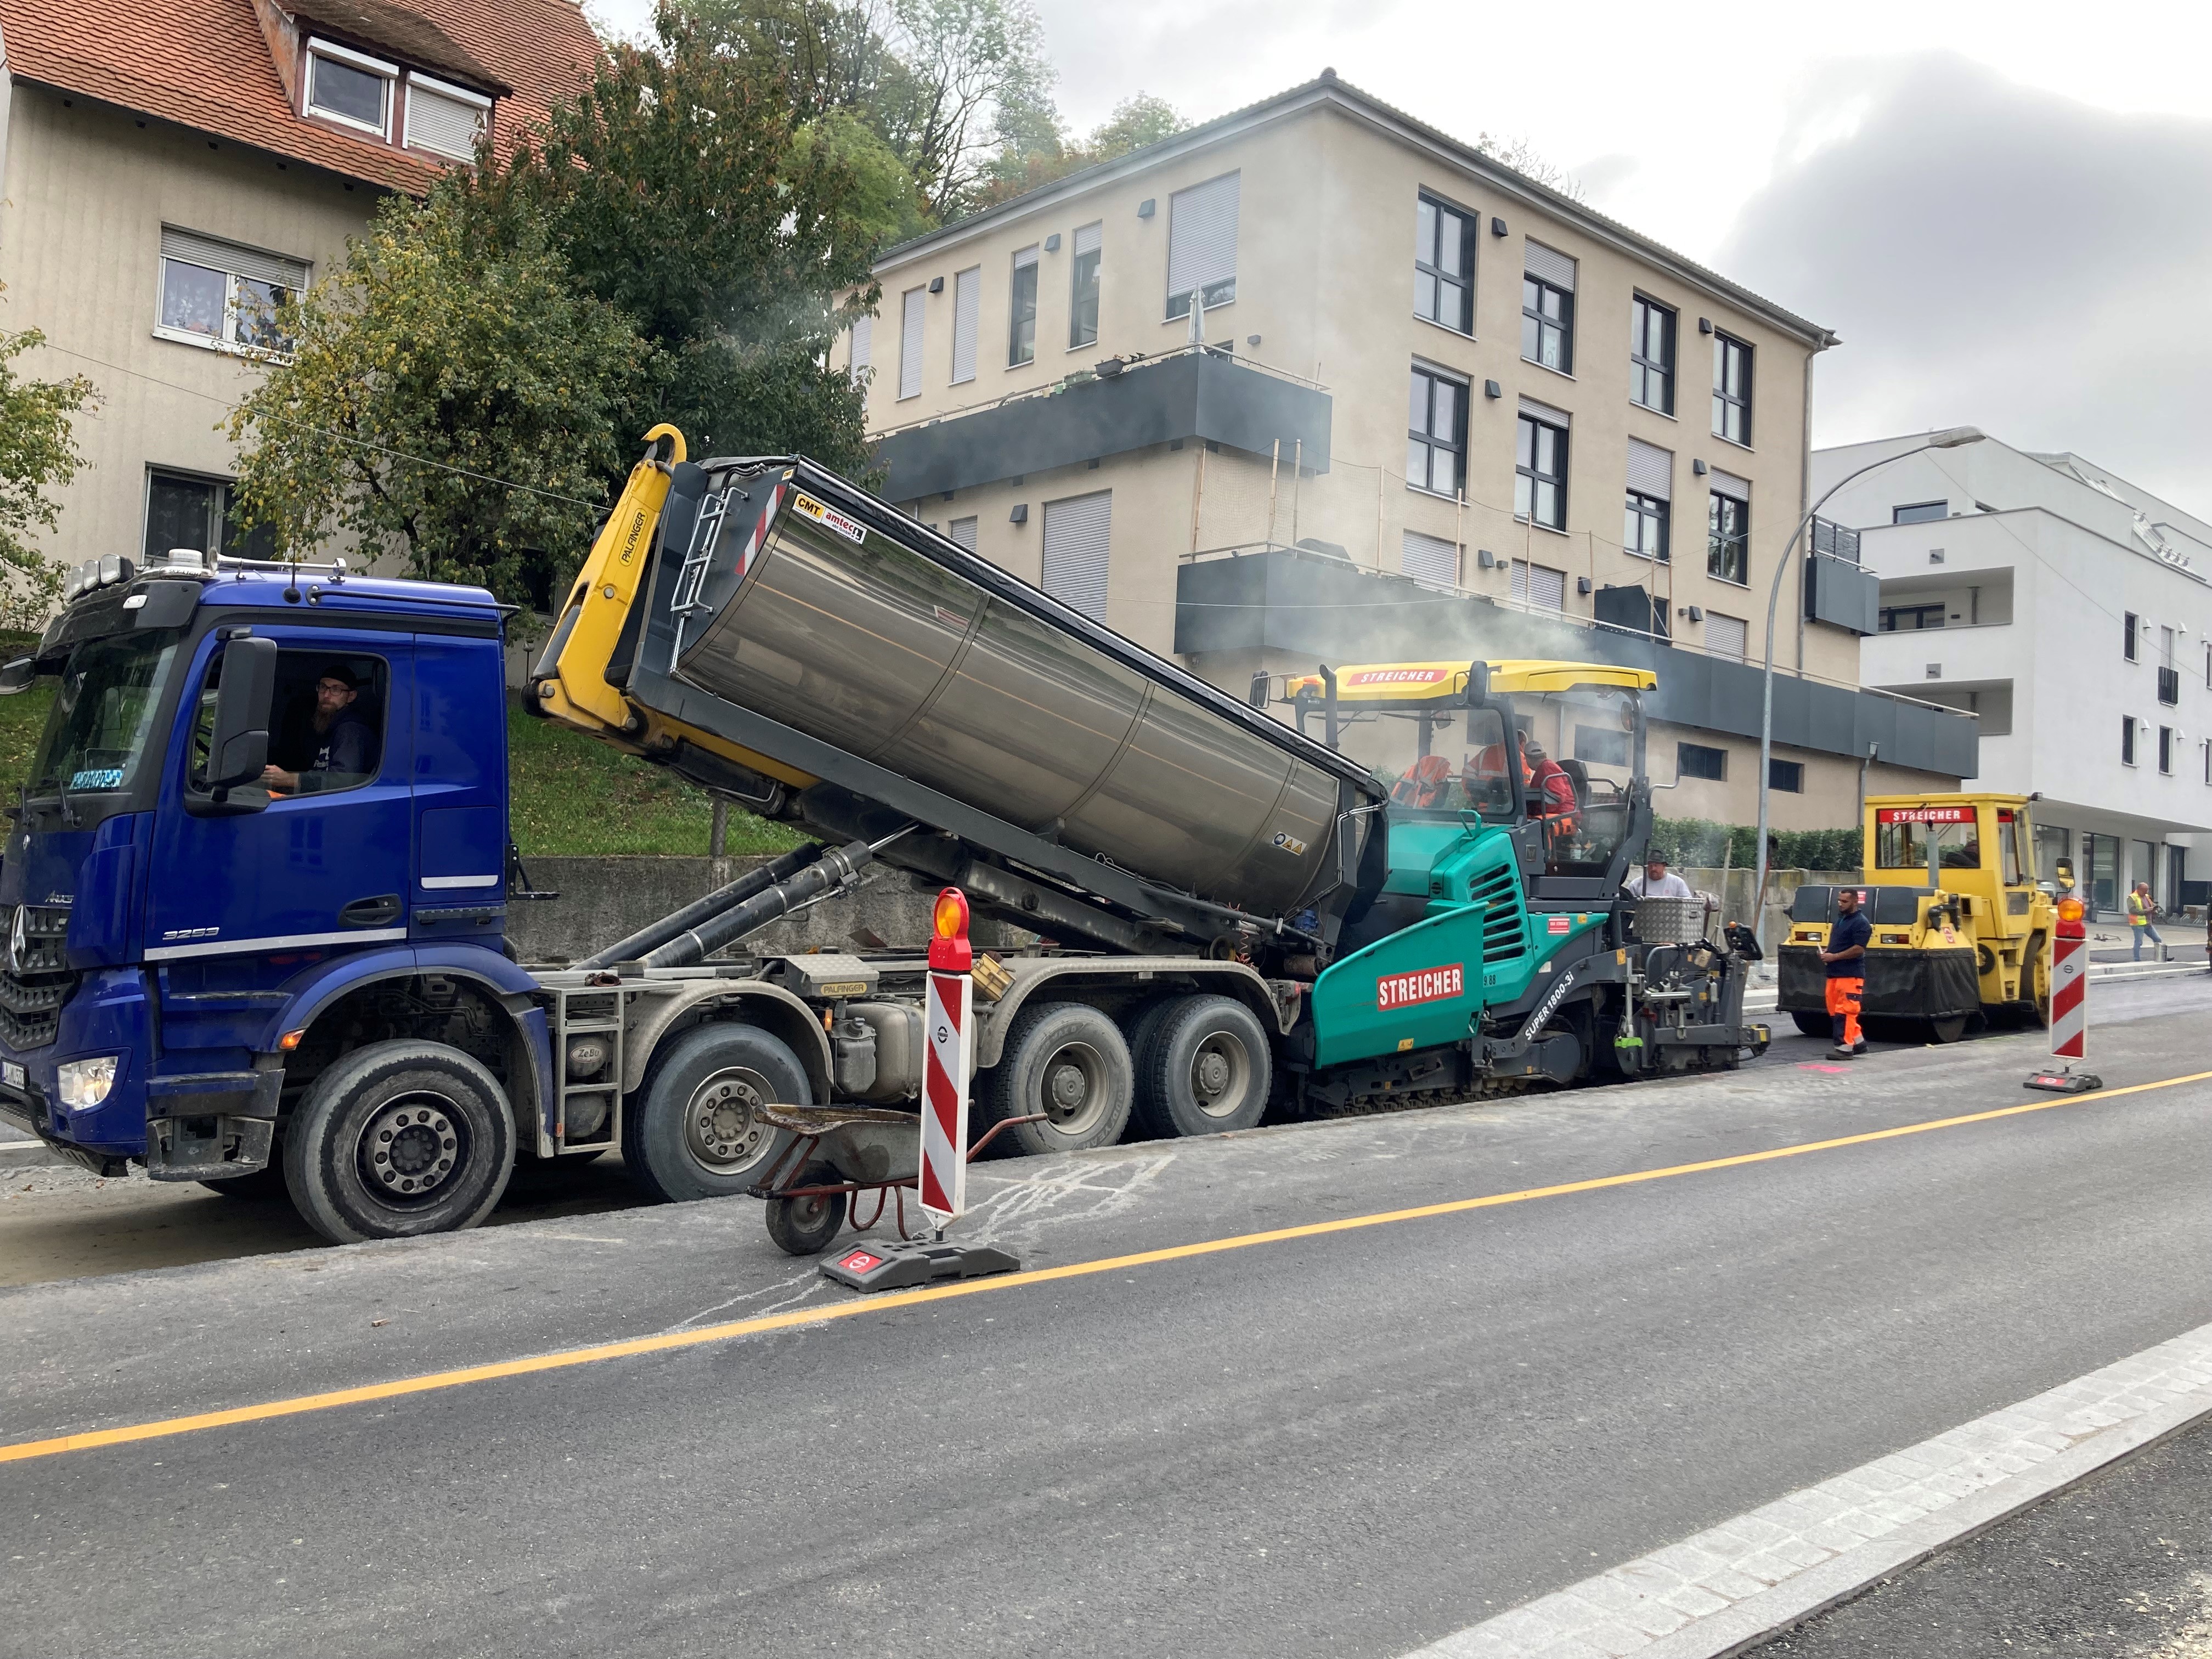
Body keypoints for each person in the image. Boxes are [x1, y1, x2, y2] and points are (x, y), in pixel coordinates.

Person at [262, 664, 374, 794]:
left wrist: (290, 779)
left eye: (336, 689)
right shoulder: (322, 725)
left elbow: (343, 780)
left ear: (351, 696)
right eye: (323, 687)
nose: (326, 695)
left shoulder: (351, 729)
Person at [1819, 887, 1871, 1059]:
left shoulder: (1861, 923)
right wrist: (1829, 951)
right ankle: (1858, 1042)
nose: (1840, 904)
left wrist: (1834, 956)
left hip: (1850, 975)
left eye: (1844, 901)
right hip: (1835, 973)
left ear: (1855, 901)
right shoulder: (1840, 921)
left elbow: (1858, 949)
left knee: (1846, 1011)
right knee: (1836, 1011)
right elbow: (1841, 943)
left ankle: (1844, 1048)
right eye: (1839, 901)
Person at [1521, 739, 1577, 820]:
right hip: (1559, 812)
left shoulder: (1547, 768)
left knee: (1529, 824)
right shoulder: (1544, 768)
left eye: (1525, 759)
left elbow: (1556, 798)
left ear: (1529, 758)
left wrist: (1534, 812)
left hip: (1562, 813)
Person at [2128, 880, 2164, 962]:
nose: (2146, 892)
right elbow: (2132, 910)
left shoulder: (2147, 896)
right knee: (2139, 942)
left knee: (2158, 940)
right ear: (2139, 889)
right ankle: (2137, 959)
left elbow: (2151, 905)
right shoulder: (2132, 897)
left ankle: (2160, 957)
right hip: (2138, 924)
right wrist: (2146, 911)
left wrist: (2154, 910)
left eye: (2147, 890)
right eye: (2145, 890)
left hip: (2148, 923)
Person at [1627, 857, 1693, 899]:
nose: (1653, 869)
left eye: (1656, 865)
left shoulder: (1677, 883)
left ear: (1664, 866)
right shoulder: (1636, 884)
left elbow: (1687, 903)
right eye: (1650, 866)